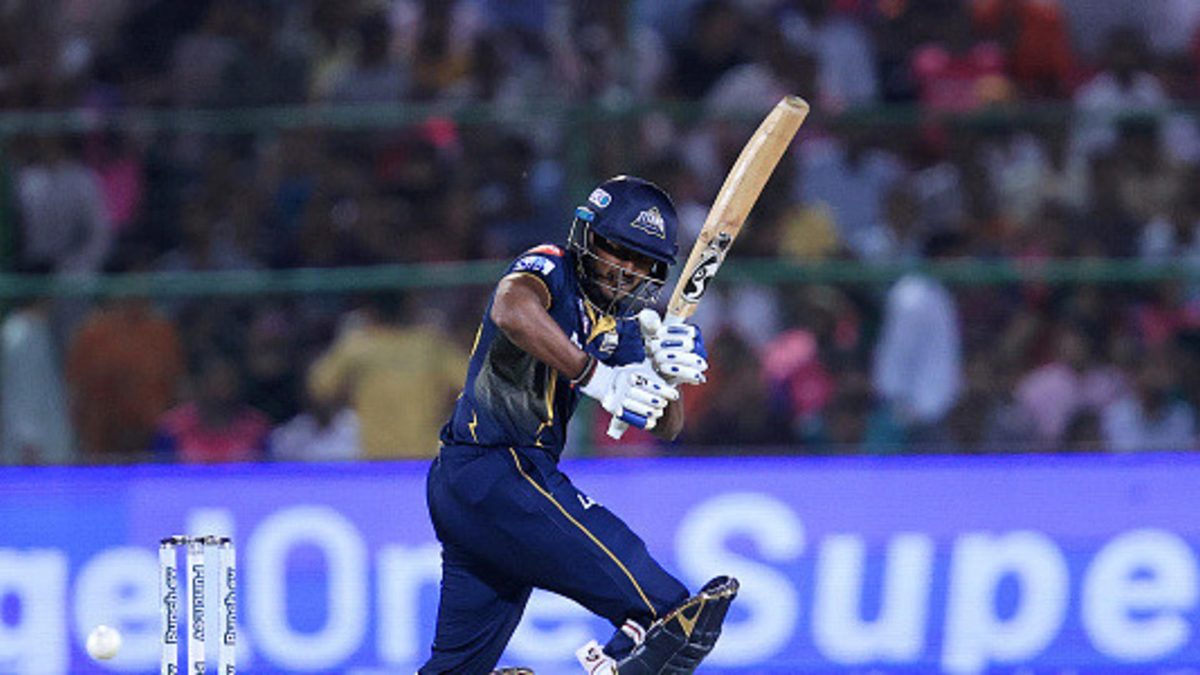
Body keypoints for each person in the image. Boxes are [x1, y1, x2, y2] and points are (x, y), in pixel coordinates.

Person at [422, 176, 737, 675]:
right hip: (497, 470)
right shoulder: (551, 267)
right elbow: (511, 309)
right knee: (670, 617)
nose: (625, 271)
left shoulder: (625, 328)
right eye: (617, 250)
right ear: (587, 238)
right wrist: (598, 378)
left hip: (472, 488)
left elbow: (668, 426)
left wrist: (666, 373)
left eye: (641, 263)